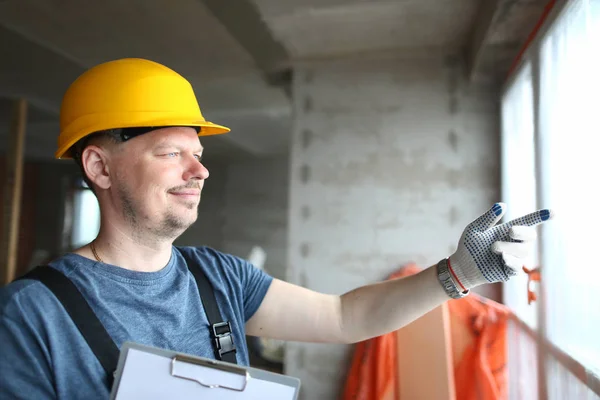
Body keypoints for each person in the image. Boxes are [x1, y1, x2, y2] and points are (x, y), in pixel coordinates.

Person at [0, 58, 553, 399]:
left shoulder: (216, 277)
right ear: (98, 167)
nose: (200, 170)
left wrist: (457, 273)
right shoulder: (30, 314)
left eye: (198, 153)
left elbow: (346, 316)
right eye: (172, 153)